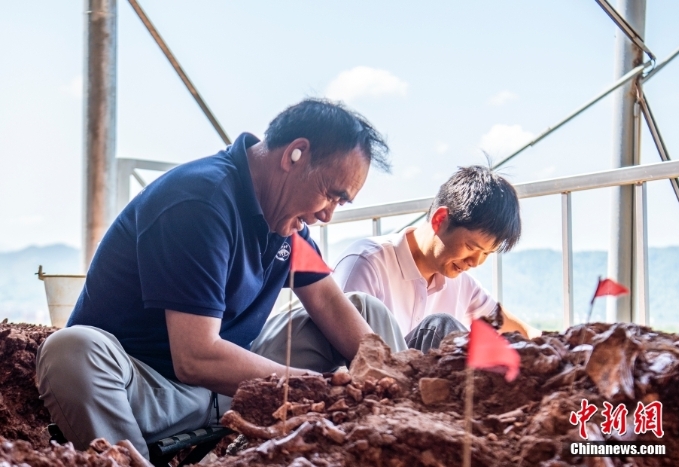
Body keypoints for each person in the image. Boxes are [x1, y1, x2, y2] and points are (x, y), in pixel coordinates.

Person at [35, 99, 408, 458]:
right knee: (71, 351)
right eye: (331, 195)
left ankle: (405, 421)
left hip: (232, 385)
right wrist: (315, 389)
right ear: (295, 154)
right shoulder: (200, 201)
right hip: (154, 392)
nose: (328, 215)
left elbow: (327, 300)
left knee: (364, 311)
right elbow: (195, 358)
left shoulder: (287, 229)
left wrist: (388, 381)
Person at [332, 166, 541, 353]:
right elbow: (342, 358)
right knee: (439, 328)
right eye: (471, 247)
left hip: (428, 392)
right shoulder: (366, 263)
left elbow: (520, 332)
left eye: (486, 254)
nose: (476, 262)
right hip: (376, 388)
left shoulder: (462, 284)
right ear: (440, 219)